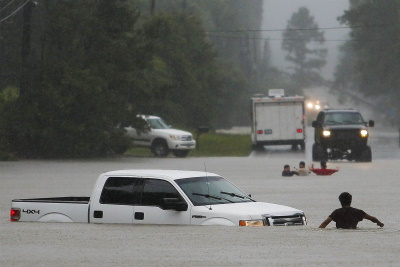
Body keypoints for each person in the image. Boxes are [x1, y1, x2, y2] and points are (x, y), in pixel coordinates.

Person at [319, 192, 384, 229]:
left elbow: (326, 222)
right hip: (353, 231)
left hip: (340, 233)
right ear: (351, 200)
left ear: (340, 201)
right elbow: (372, 218)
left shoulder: (337, 212)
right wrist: (379, 223)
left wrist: (319, 230)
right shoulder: (358, 212)